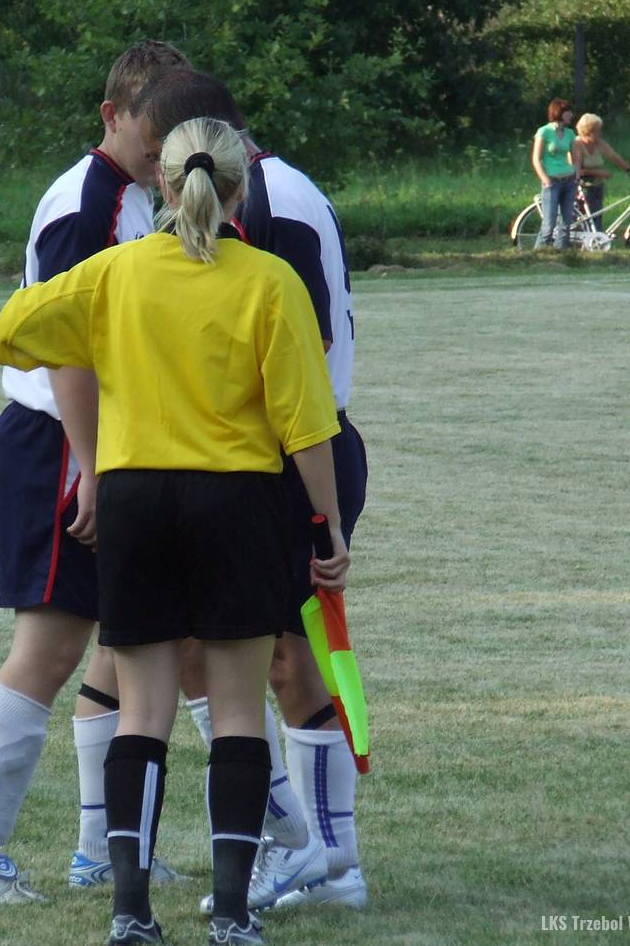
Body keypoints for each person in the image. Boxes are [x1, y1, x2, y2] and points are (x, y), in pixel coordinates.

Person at [0, 115, 353, 946]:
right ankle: (230, 914)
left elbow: (11, 330)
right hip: (237, 502)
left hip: (135, 500)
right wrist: (325, 527)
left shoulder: (115, 272)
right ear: (239, 189)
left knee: (141, 712)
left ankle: (130, 912)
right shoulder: (268, 281)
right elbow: (305, 424)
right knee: (237, 713)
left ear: (162, 180)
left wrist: (100, 337)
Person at [0, 40, 190, 905]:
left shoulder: (134, 196)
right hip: (60, 446)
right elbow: (67, 348)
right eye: (151, 133)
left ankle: (101, 852)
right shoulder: (88, 203)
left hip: (98, 446)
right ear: (112, 115)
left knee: (124, 646)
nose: (162, 151)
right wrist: (91, 467)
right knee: (47, 651)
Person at [134, 69, 369, 912]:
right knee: (216, 654)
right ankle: (303, 847)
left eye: (155, 157)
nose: (154, 177)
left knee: (279, 659)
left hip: (286, 459)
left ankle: (323, 856)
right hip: (263, 457)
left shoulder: (276, 203)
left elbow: (297, 354)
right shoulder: (269, 192)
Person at [530, 98, 581, 250]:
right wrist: (545, 179)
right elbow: (536, 159)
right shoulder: (544, 132)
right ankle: (538, 253)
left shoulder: (570, 133)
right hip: (552, 182)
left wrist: (576, 174)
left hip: (569, 181)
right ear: (559, 113)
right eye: (568, 112)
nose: (571, 115)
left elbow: (575, 157)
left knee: (566, 224)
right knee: (549, 224)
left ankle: (561, 254)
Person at [575, 113, 630, 230]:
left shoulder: (599, 143)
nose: (600, 133)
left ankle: (597, 237)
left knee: (597, 220)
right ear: (589, 131)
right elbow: (575, 170)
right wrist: (599, 173)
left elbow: (614, 157)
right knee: (586, 222)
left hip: (597, 186)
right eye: (598, 130)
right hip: (582, 188)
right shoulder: (577, 144)